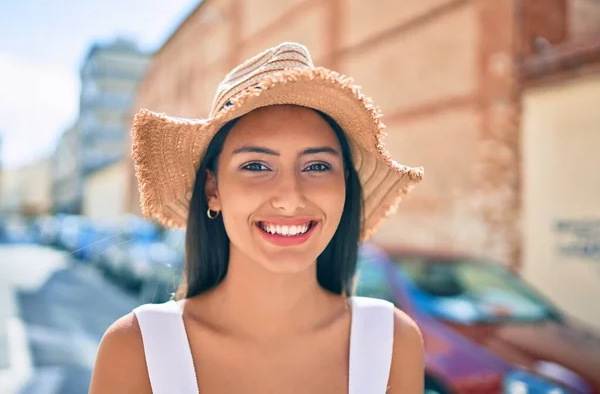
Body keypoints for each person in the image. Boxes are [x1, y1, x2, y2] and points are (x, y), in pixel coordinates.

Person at [89, 42, 425, 394]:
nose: (290, 197)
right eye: (256, 166)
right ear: (212, 189)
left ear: (345, 187)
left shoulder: (391, 341)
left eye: (317, 166)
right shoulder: (135, 349)